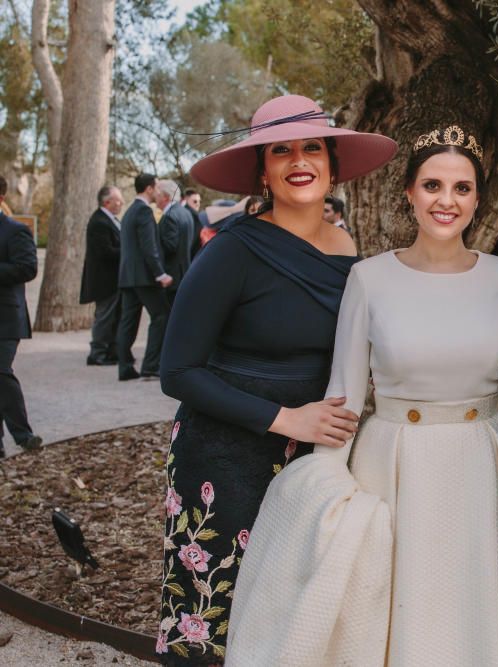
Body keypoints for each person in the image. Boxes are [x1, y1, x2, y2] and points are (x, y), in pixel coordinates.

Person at [225, 125, 498, 667]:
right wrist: (328, 493)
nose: (445, 201)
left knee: (472, 610)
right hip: (390, 463)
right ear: (409, 192)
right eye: (432, 185)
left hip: (481, 463)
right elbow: (344, 393)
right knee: (396, 607)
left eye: (461, 188)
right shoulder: (369, 278)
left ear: (478, 198)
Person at [155, 94, 397, 665]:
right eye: (280, 151)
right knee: (213, 613)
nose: (298, 160)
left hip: (316, 459)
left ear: (333, 163)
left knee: (290, 613)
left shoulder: (351, 252)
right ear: (262, 171)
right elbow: (177, 370)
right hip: (225, 456)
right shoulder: (232, 252)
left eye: (311, 147)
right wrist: (286, 418)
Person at [0, 176, 42, 457]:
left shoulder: (15, 231)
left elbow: (27, 268)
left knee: (0, 371)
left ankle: (23, 435)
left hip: (5, 317)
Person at [117, 173, 172, 381]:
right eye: (156, 187)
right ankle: (150, 366)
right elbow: (149, 247)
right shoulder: (143, 212)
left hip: (128, 277)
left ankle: (125, 367)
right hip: (145, 277)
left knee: (128, 321)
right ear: (149, 189)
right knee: (161, 316)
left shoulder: (129, 211)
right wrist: (160, 273)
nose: (158, 191)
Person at [80, 185, 125, 366]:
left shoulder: (112, 220)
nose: (121, 202)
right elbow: (104, 252)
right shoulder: (99, 221)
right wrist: (128, 250)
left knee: (115, 317)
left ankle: (111, 352)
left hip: (114, 279)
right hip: (104, 280)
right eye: (118, 199)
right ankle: (97, 353)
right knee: (104, 317)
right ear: (107, 202)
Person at [155, 179, 194, 309]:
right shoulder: (186, 213)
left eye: (158, 194)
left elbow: (170, 246)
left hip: (172, 276)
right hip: (184, 274)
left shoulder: (169, 216)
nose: (155, 196)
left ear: (166, 197)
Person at [182, 189, 202, 258]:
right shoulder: (195, 216)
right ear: (186, 199)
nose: (198, 204)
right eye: (195, 201)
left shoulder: (182, 212)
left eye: (199, 201)